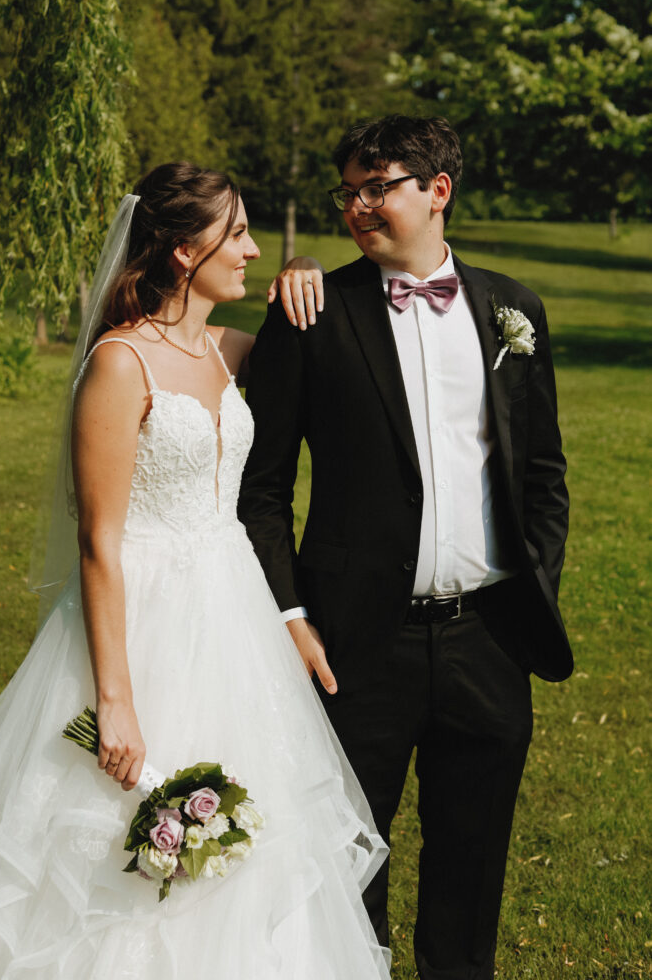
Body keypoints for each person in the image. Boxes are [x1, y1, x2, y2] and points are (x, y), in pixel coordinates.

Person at [0, 163, 391, 979]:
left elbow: (312, 337)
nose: (253, 250)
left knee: (261, 850)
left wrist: (305, 275)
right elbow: (99, 541)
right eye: (235, 235)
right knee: (115, 853)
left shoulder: (231, 351)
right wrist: (115, 703)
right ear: (176, 252)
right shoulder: (120, 364)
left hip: (233, 616)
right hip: (148, 621)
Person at [239, 115, 573, 980]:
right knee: (348, 860)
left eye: (375, 185)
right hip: (354, 642)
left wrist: (533, 582)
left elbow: (543, 474)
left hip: (489, 640)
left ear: (437, 190)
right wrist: (290, 613)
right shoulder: (310, 312)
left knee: (473, 861)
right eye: (346, 190)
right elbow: (261, 489)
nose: (355, 205)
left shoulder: (513, 312)